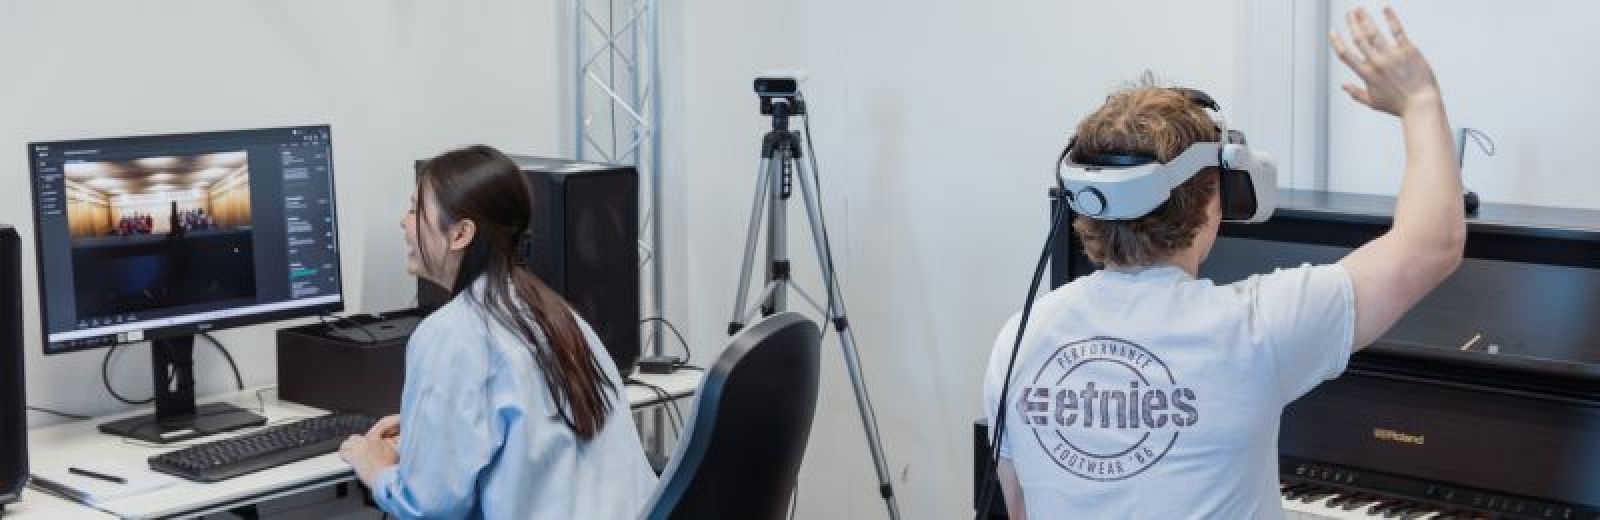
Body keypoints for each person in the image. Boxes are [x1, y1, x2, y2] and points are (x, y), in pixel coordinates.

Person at [982, 7, 1462, 519]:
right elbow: (1432, 244)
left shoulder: (1018, 340)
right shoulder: (1254, 329)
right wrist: (1420, 102)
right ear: (1214, 199)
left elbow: (1020, 508)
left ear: (1081, 197)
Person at [337, 145, 657, 518]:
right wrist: (434, 431)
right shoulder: (559, 314)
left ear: (460, 234)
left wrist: (376, 467)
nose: (403, 223)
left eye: (414, 210)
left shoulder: (450, 334)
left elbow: (430, 504)